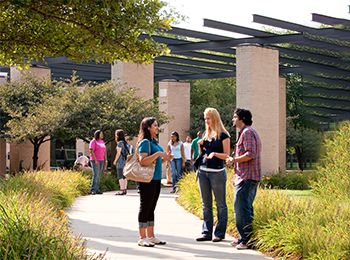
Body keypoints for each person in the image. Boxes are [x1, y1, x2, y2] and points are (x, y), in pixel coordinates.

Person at [226, 108, 262, 250]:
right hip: (245, 177)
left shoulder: (247, 133)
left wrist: (234, 160)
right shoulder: (245, 132)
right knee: (244, 208)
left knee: (242, 209)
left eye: (235, 117)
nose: (233, 119)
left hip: (247, 177)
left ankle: (246, 240)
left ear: (242, 119)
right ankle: (244, 237)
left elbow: (250, 154)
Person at [137, 117, 173, 247]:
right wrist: (158, 153)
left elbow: (157, 161)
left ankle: (151, 236)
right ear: (148, 127)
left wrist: (166, 158)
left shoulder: (154, 141)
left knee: (151, 208)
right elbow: (143, 160)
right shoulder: (145, 142)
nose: (157, 128)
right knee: (145, 207)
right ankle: (142, 237)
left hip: (156, 179)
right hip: (147, 180)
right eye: (155, 126)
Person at [196, 107, 230, 243]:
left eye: (208, 118)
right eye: (205, 118)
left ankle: (219, 233)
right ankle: (206, 232)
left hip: (217, 172)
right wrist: (201, 146)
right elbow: (203, 153)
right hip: (203, 171)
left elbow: (227, 155)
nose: (206, 121)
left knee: (220, 204)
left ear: (215, 118)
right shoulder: (206, 134)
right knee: (206, 204)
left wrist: (215, 154)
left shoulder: (224, 135)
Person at [89, 130, 107, 195]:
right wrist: (95, 160)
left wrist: (106, 160)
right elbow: (91, 151)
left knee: (99, 175)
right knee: (96, 174)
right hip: (95, 160)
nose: (102, 135)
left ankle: (97, 189)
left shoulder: (102, 142)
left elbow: (104, 152)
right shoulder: (93, 141)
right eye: (101, 134)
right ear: (97, 134)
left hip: (101, 160)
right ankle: (93, 189)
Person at [113, 129, 130, 195]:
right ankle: (125, 190)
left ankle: (122, 190)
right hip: (125, 161)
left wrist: (115, 161)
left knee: (120, 176)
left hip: (120, 162)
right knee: (124, 176)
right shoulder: (125, 143)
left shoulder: (120, 143)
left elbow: (118, 153)